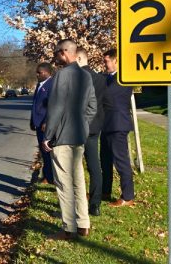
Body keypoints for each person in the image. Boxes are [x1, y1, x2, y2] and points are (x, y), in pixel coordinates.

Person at [42, 39, 96, 240]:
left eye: (57, 53)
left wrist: (48, 136)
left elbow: (55, 110)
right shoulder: (86, 76)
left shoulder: (61, 76)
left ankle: (69, 229)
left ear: (65, 52)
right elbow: (92, 107)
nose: (55, 57)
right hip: (79, 136)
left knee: (64, 184)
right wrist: (82, 124)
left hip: (63, 137)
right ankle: (83, 224)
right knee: (78, 181)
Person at [100, 48, 136, 207]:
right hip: (106, 124)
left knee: (121, 162)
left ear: (116, 61)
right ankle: (105, 191)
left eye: (107, 61)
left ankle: (127, 196)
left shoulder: (124, 78)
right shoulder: (106, 77)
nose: (104, 64)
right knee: (105, 161)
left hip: (118, 124)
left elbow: (108, 95)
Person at [76, 47, 106, 216]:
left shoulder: (78, 78)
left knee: (75, 167)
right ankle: (95, 204)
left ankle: (78, 203)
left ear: (79, 59)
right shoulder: (101, 79)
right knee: (95, 166)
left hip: (78, 127)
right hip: (95, 128)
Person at [30, 62, 54, 184]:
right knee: (43, 152)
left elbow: (52, 105)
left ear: (46, 72)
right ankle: (47, 175)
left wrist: (46, 121)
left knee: (47, 151)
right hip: (38, 123)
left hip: (46, 125)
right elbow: (35, 104)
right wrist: (32, 120)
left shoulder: (52, 84)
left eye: (39, 72)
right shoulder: (39, 85)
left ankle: (49, 177)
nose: (37, 74)